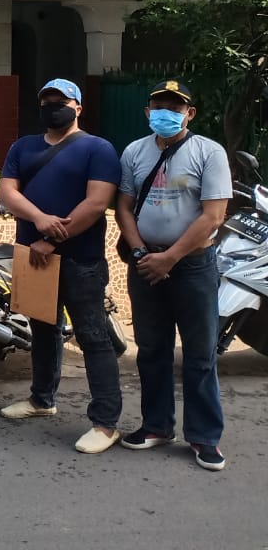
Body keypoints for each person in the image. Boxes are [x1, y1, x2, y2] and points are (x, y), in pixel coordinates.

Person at [0, 79, 123, 453]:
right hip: (33, 256)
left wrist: (52, 238)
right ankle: (41, 399)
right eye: (47, 100)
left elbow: (96, 204)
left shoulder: (98, 149)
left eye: (61, 101)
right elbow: (7, 192)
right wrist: (39, 220)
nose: (53, 106)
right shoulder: (24, 146)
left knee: (92, 337)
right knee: (44, 330)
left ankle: (105, 422)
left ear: (78, 107)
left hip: (80, 260)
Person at [116, 80, 232, 471]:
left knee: (199, 354)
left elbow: (213, 216)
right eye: (159, 106)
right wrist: (138, 252)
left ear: (189, 114)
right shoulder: (134, 151)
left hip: (193, 266)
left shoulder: (208, 152)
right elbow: (124, 209)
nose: (166, 113)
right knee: (151, 349)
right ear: (148, 112)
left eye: (175, 107)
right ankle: (156, 426)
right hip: (145, 263)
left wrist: (171, 257)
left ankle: (204, 437)